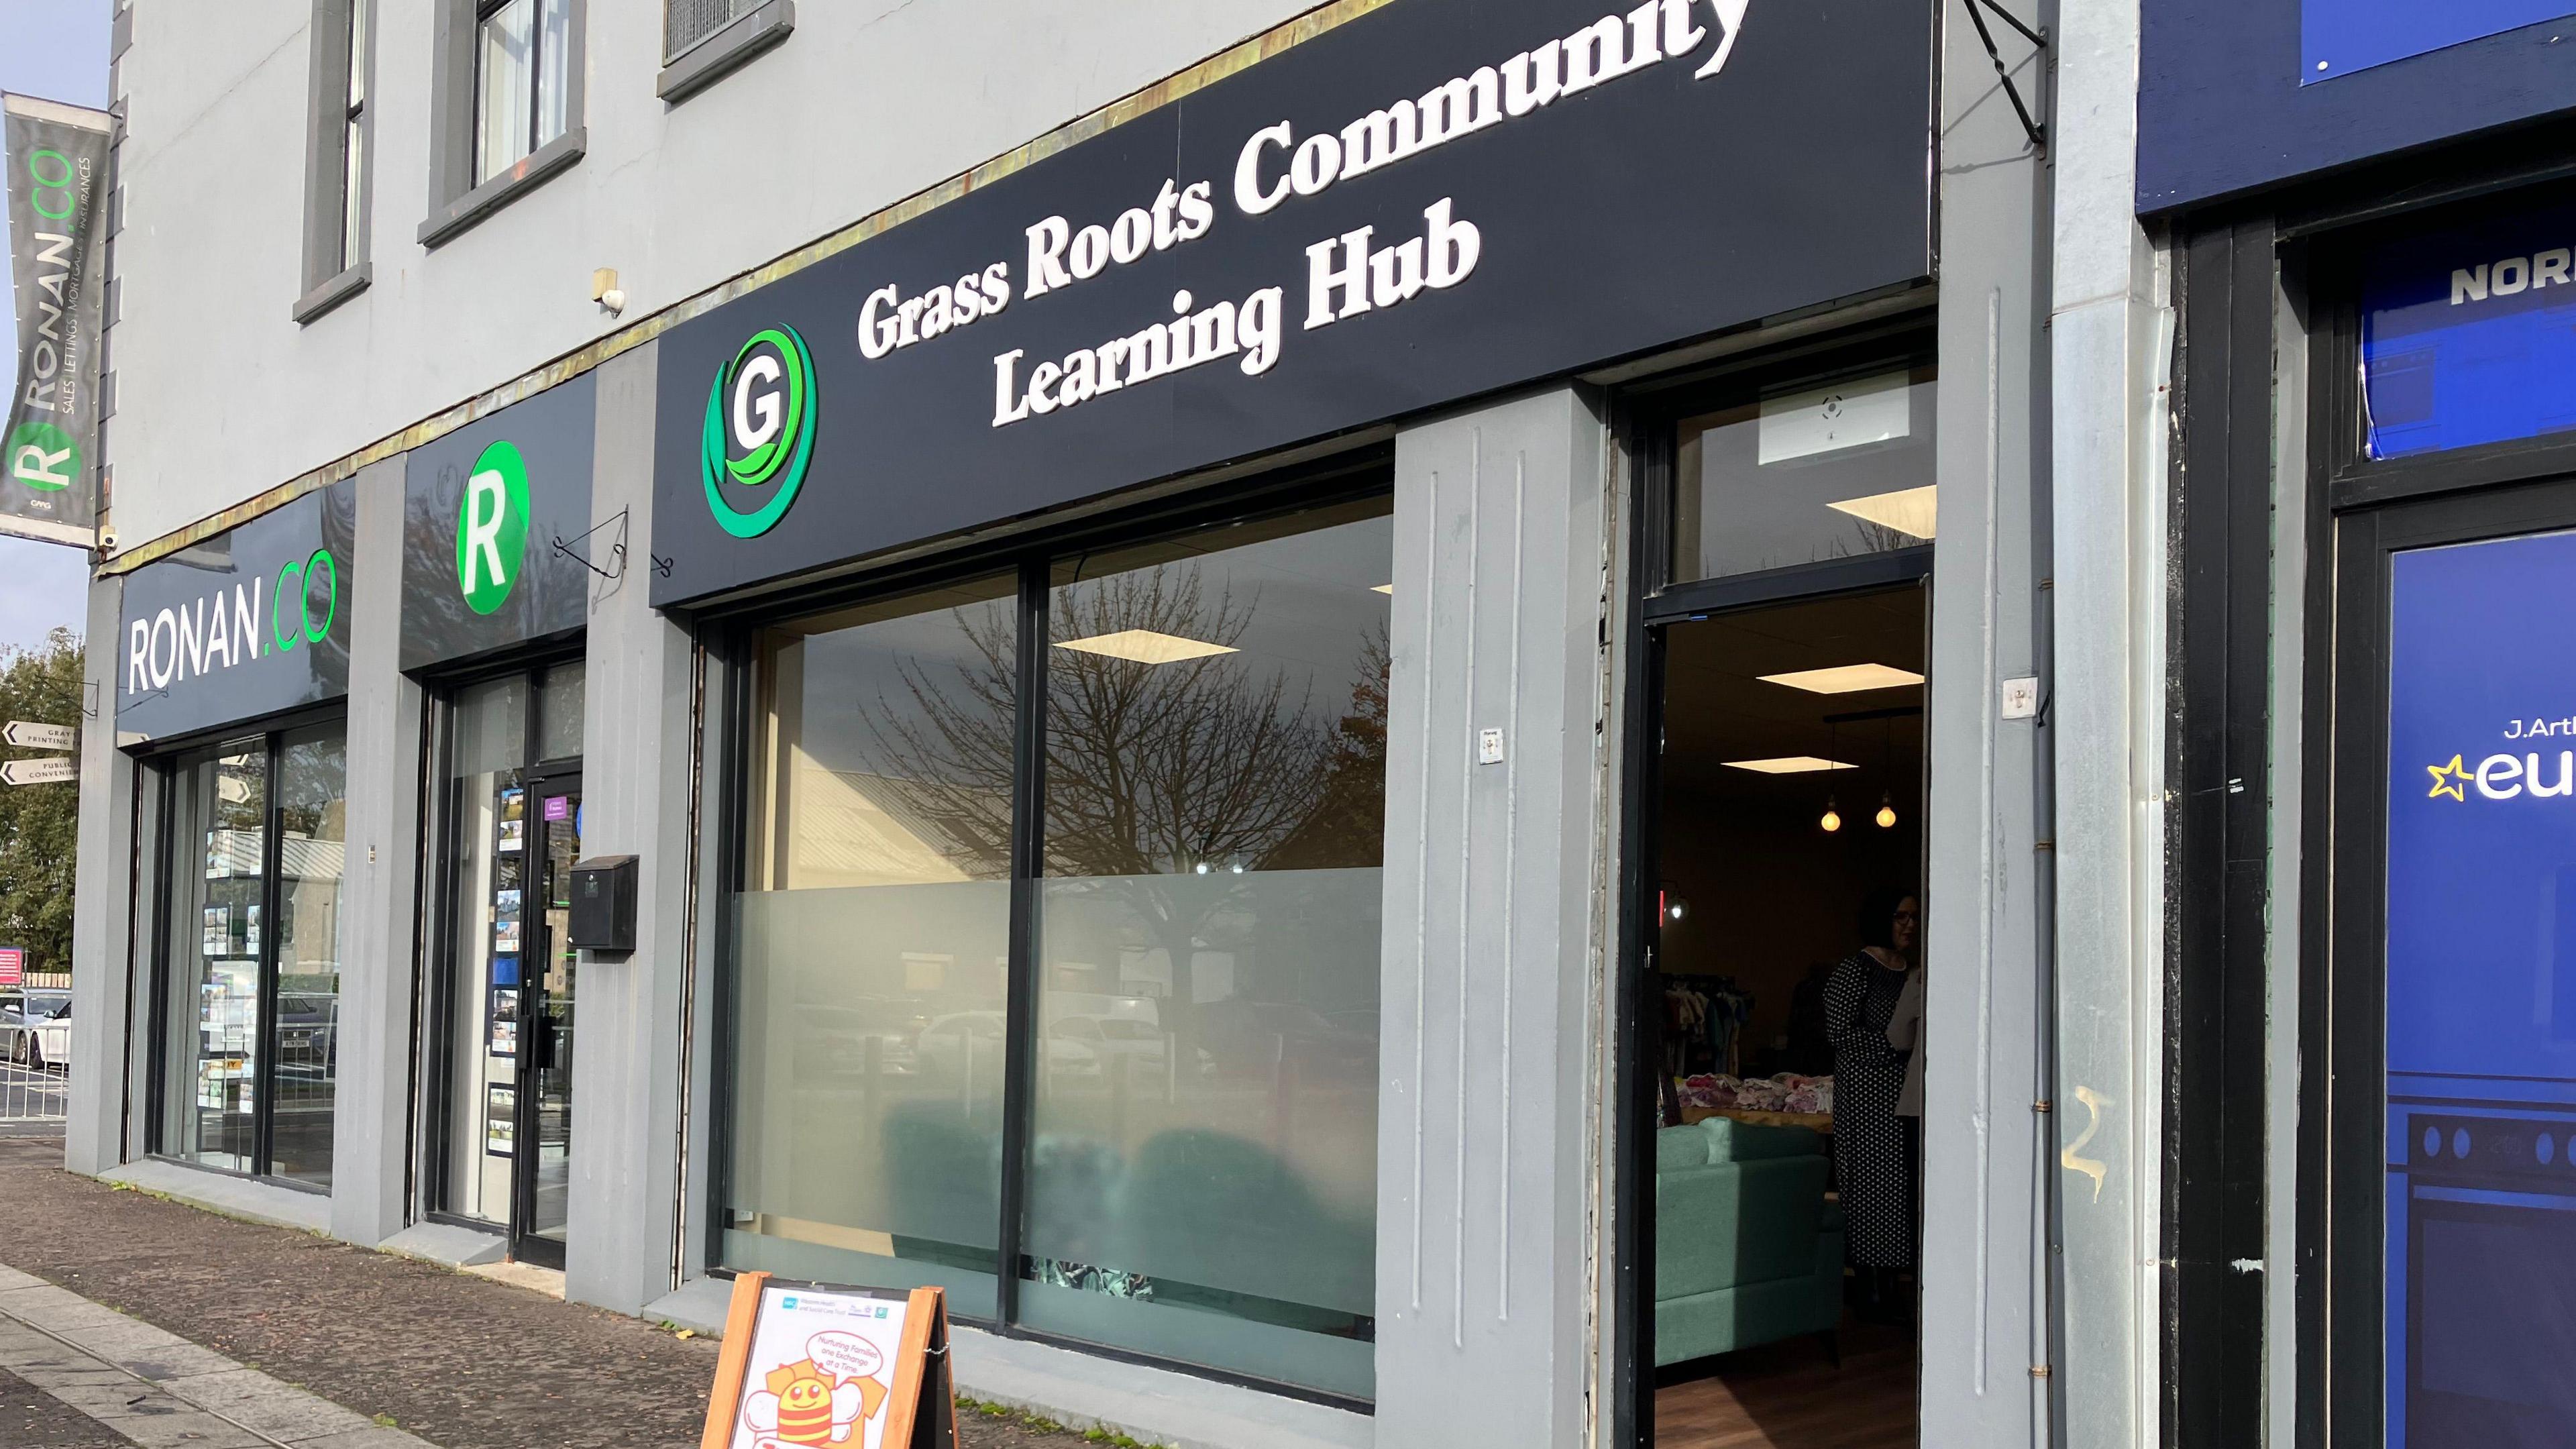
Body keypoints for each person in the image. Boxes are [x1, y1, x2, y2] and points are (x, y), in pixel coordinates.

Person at [1825, 888, 1921, 1324]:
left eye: (1914, 918)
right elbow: (1838, 1031)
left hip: (1904, 1093)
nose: (1909, 926)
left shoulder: (1914, 972)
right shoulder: (1856, 969)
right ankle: (1867, 1285)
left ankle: (1891, 1282)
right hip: (1864, 1093)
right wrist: (1888, 1047)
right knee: (1866, 1186)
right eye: (1900, 917)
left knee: (1898, 1187)